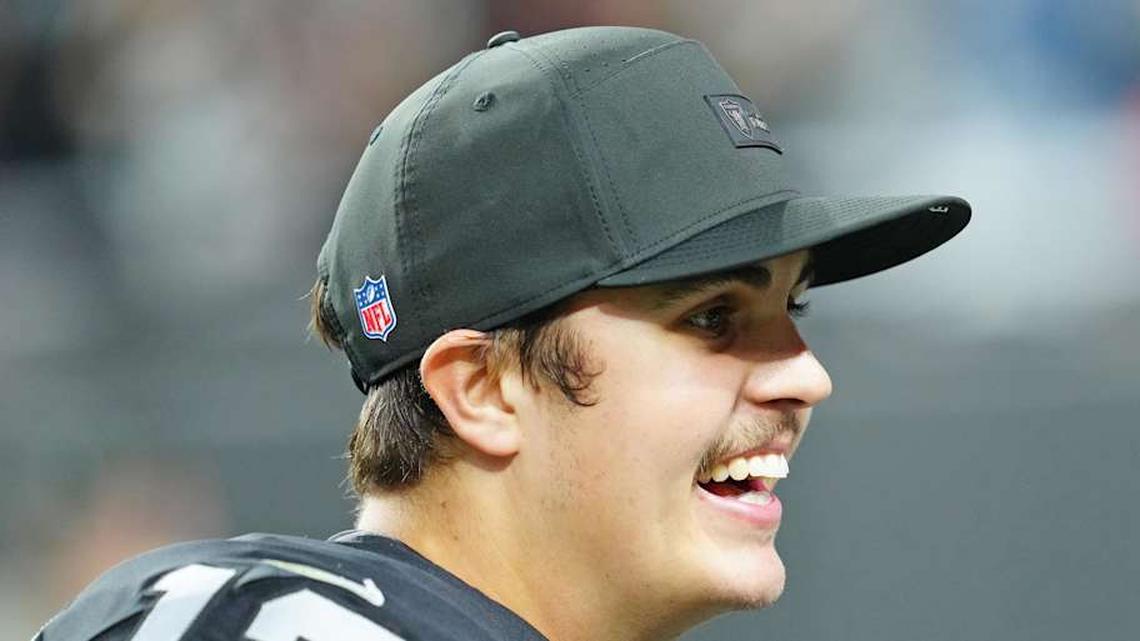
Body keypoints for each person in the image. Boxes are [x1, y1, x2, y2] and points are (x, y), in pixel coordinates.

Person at [36, 26, 970, 641]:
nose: (806, 376)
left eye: (791, 311)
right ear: (481, 388)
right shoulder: (279, 621)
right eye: (712, 317)